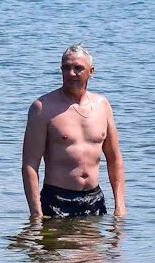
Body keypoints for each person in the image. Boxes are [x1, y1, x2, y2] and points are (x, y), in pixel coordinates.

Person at [21, 44, 126, 220]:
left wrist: (120, 206)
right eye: (66, 67)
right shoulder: (42, 108)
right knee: (56, 246)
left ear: (91, 71)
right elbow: (30, 165)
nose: (71, 73)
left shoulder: (102, 106)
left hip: (94, 200)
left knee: (94, 248)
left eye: (78, 68)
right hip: (57, 200)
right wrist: (36, 213)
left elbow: (114, 159)